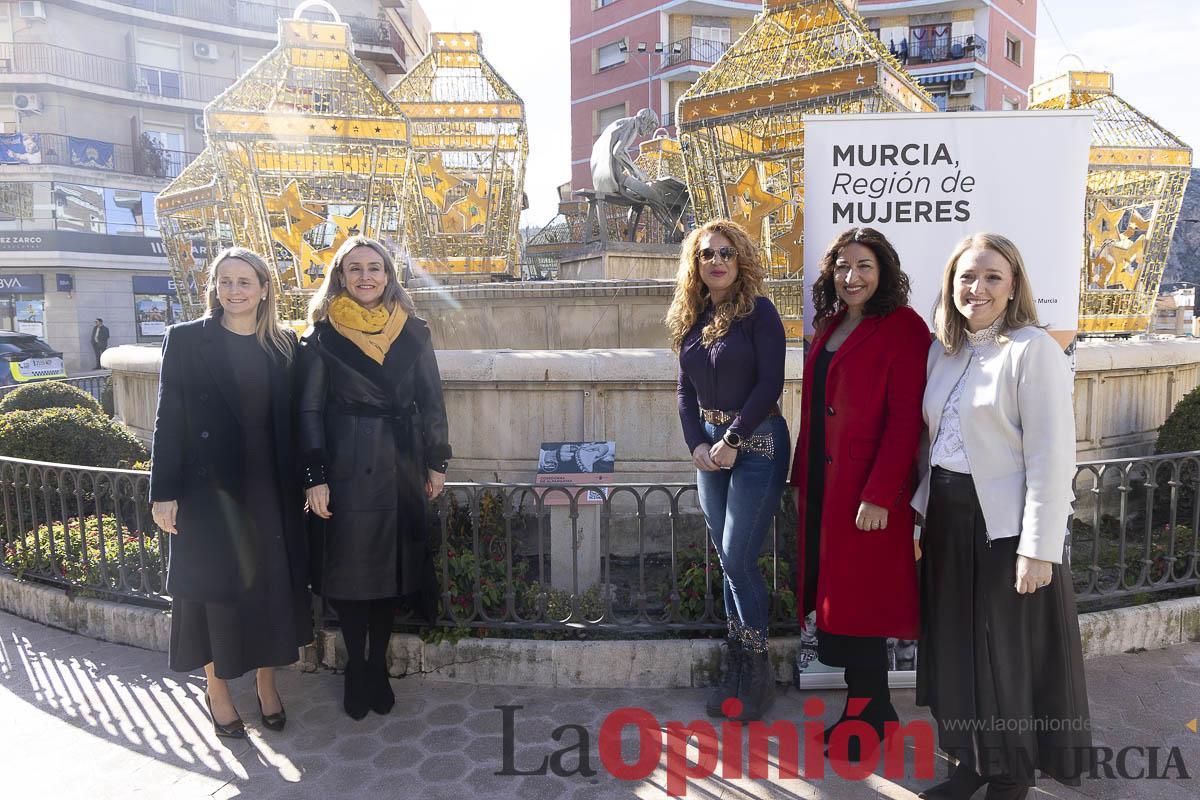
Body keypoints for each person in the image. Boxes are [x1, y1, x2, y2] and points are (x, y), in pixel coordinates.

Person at [913, 233, 1091, 800]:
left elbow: (1050, 456)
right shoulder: (944, 350)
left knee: (1005, 659)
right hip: (946, 522)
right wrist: (920, 517)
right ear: (951, 285)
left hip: (1005, 531)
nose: (978, 287)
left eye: (992, 276)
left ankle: (1010, 779)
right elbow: (935, 441)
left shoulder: (1032, 349)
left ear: (1014, 284)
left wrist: (1038, 548)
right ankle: (967, 764)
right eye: (967, 276)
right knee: (955, 652)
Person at [149, 248, 311, 739]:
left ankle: (266, 685)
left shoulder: (285, 346)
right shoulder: (185, 340)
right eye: (225, 282)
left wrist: (313, 477)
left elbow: (300, 422)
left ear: (264, 289)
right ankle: (217, 692)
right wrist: (164, 492)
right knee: (214, 593)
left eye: (245, 282)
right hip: (208, 494)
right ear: (214, 288)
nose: (234, 291)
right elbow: (168, 419)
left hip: (270, 492)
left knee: (270, 591)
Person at [296, 235, 451, 720]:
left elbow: (431, 400)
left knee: (389, 572)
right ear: (340, 277)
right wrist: (314, 474)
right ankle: (354, 668)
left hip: (401, 465)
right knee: (350, 572)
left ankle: (377, 667)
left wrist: (436, 461)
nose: (366, 277)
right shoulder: (321, 336)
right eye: (355, 268)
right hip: (345, 467)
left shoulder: (415, 331)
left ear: (389, 276)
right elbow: (309, 409)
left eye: (375, 268)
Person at [790, 227, 929, 761]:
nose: (852, 277)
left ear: (884, 271)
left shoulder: (904, 328)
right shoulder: (831, 325)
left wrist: (879, 494)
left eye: (865, 266)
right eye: (843, 267)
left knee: (862, 605)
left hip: (868, 496)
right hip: (827, 488)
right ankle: (875, 711)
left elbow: (904, 422)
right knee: (836, 601)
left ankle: (865, 713)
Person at [668, 218, 790, 722]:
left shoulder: (759, 312)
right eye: (706, 255)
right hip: (711, 453)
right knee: (727, 560)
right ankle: (737, 668)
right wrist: (698, 443)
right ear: (695, 266)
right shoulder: (692, 318)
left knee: (738, 559)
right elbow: (684, 391)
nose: (716, 261)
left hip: (757, 446)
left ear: (740, 261)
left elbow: (770, 384)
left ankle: (756, 677)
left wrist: (731, 440)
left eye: (725, 253)